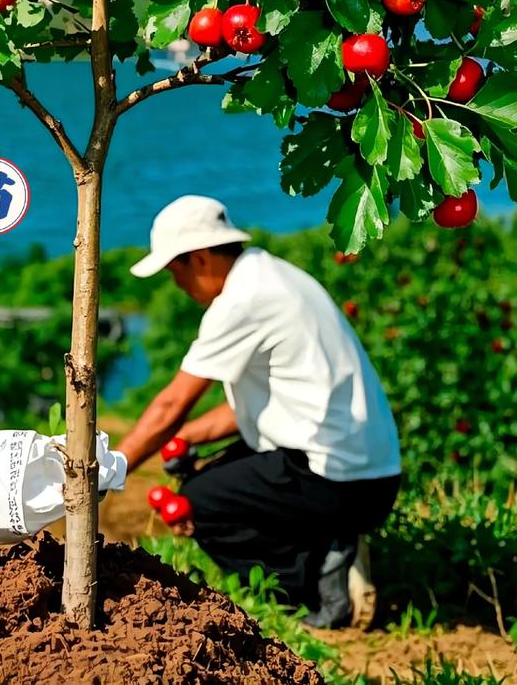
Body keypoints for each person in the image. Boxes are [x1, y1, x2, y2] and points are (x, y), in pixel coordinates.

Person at [116, 194, 401, 628]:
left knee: (197, 504)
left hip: (342, 481)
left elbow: (173, 402)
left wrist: (110, 469)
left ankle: (319, 584)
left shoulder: (242, 300)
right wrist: (188, 438)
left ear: (199, 258)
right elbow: (267, 405)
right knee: (212, 479)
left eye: (175, 271)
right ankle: (332, 547)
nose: (177, 285)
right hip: (365, 472)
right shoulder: (275, 275)